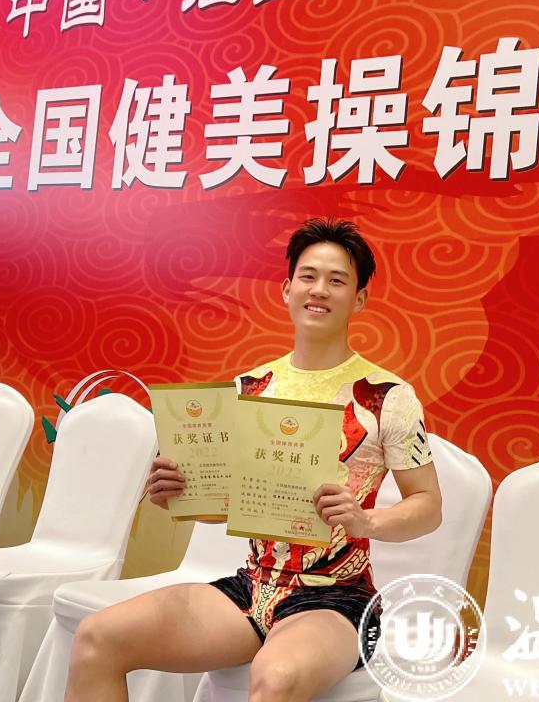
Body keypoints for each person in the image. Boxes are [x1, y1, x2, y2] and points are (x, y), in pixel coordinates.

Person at [64, 218, 442, 702]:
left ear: (360, 299)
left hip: (338, 597)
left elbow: (428, 505)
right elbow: (230, 503)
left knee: (275, 677)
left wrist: (365, 520)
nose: (319, 290)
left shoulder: (389, 396)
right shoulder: (249, 388)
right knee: (97, 637)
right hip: (251, 587)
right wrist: (180, 493)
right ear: (287, 289)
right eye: (308, 276)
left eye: (337, 280)